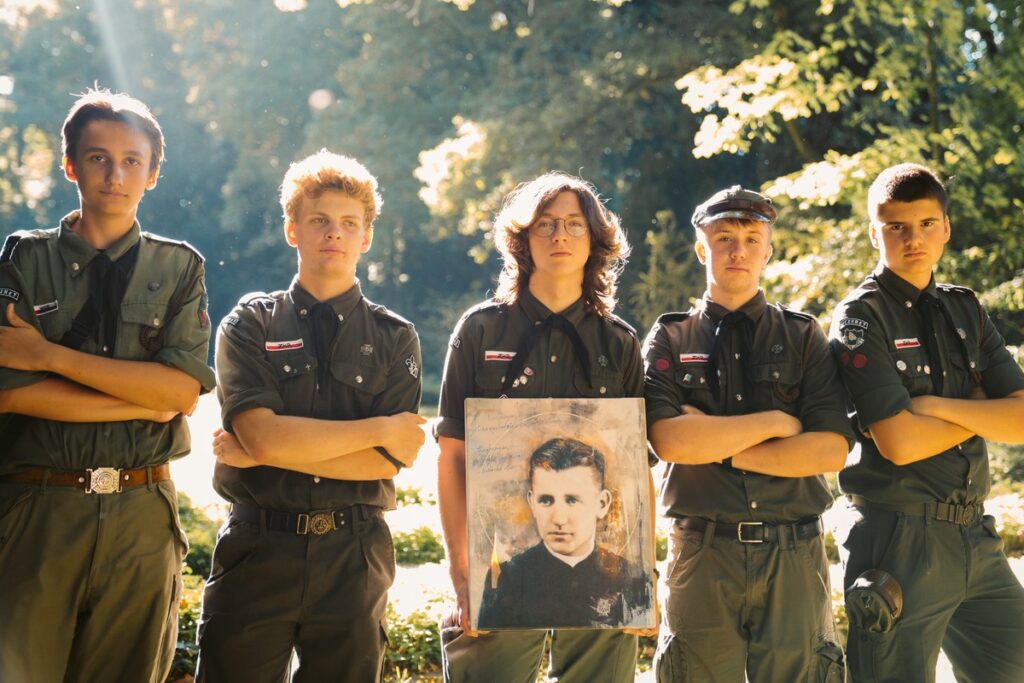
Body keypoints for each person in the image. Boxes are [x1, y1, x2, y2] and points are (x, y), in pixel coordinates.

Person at [0, 89, 215, 682]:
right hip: (38, 511)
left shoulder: (180, 268)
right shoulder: (23, 261)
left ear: (152, 173)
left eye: (131, 161)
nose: (114, 175)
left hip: (142, 517)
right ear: (70, 165)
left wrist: (47, 356)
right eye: (97, 158)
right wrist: (144, 398)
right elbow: (10, 393)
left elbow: (179, 394)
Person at [195, 150, 426, 682]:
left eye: (349, 223)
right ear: (292, 229)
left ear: (366, 237)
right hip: (258, 548)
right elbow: (262, 436)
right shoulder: (250, 324)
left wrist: (269, 450)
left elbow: (387, 461)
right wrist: (376, 430)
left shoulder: (394, 337)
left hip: (354, 554)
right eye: (319, 219)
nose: (334, 233)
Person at [436, 172, 653, 682]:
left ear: (594, 240)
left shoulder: (619, 342)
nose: (560, 236)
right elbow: (452, 458)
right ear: (523, 239)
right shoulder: (479, 330)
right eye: (546, 224)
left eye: (575, 225)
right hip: (498, 573)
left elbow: (634, 470)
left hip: (605, 583)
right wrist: (462, 573)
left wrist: (645, 579)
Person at [644, 186, 853, 682]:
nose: (737, 250)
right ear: (702, 249)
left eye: (751, 239)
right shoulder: (671, 337)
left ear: (768, 251)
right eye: (724, 238)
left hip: (793, 553)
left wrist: (714, 445)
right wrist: (777, 425)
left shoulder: (802, 336)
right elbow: (669, 442)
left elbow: (830, 450)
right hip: (702, 553)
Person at [829, 163, 1024, 683]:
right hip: (898, 538)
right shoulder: (860, 318)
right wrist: (981, 412)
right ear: (875, 233)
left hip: (975, 535)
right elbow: (898, 442)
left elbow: (1021, 419)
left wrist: (935, 406)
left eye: (926, 224)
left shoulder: (966, 310)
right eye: (896, 226)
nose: (913, 239)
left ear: (946, 228)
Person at [479, 437, 650, 629]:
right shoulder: (508, 579)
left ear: (602, 504)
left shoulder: (630, 579)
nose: (559, 519)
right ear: (532, 503)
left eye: (572, 500)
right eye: (546, 500)